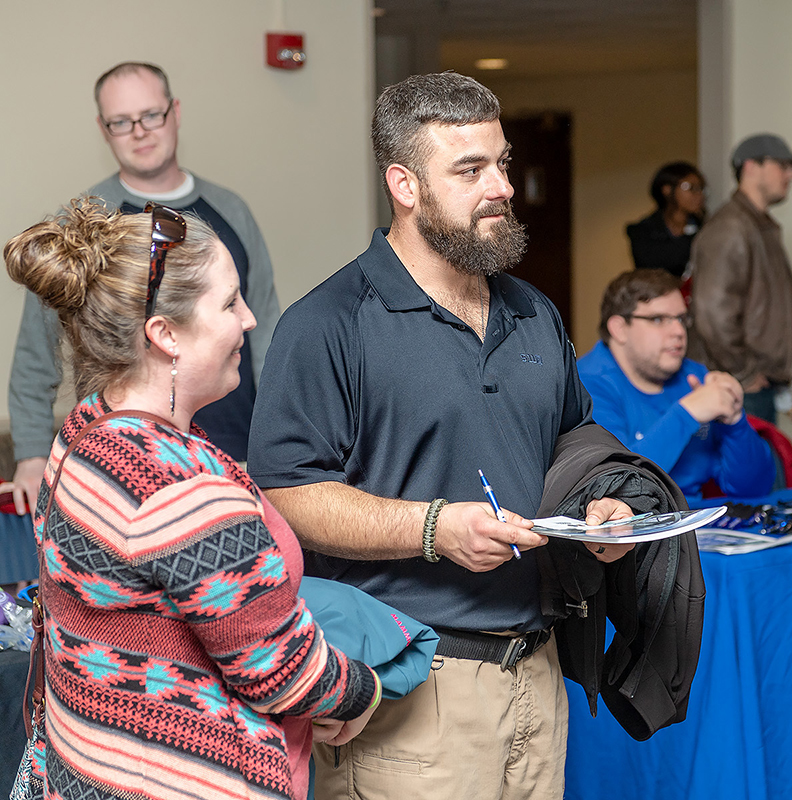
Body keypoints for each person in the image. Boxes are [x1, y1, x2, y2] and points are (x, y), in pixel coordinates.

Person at [246, 72, 638, 800]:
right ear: (405, 184)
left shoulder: (533, 313)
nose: (502, 187)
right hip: (411, 684)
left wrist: (599, 506)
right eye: (470, 170)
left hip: (538, 672)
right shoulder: (329, 324)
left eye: (503, 162)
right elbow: (288, 492)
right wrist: (434, 529)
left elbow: (571, 440)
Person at [4, 199, 377, 800]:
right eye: (230, 302)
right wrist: (360, 689)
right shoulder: (179, 488)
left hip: (93, 769)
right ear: (165, 334)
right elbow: (278, 669)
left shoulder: (84, 432)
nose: (251, 320)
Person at [7, 61, 281, 514]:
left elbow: (265, 325)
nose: (139, 131)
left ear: (174, 112)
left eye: (150, 114)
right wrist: (33, 454)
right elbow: (37, 351)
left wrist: (279, 437)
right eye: (121, 122)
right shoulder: (86, 226)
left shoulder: (230, 210)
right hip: (131, 457)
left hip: (239, 444)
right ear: (103, 128)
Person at [577, 269, 775, 501]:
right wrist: (687, 414)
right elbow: (615, 488)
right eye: (658, 319)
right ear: (619, 329)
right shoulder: (585, 386)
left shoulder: (694, 375)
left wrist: (735, 421)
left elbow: (755, 489)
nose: (679, 332)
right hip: (631, 530)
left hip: (702, 524)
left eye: (681, 319)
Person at [687, 133, 792, 424]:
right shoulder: (731, 227)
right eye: (782, 165)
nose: (790, 174)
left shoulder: (757, 225)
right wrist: (745, 372)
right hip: (739, 386)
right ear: (751, 167)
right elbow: (712, 313)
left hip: (754, 383)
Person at [625, 161, 706, 277]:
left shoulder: (704, 226)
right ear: (667, 190)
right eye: (691, 187)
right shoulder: (643, 230)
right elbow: (650, 265)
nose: (699, 195)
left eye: (700, 188)